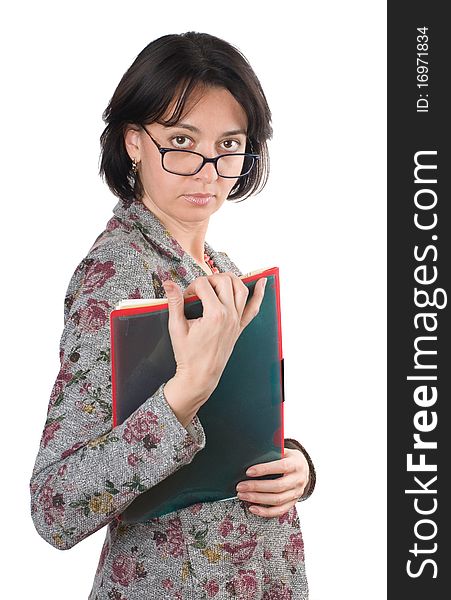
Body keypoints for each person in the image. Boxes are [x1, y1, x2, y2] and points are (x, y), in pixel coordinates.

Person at [29, 31, 317, 600]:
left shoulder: (223, 271)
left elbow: (238, 431)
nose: (208, 169)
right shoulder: (115, 280)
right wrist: (183, 394)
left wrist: (295, 467)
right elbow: (55, 504)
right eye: (182, 140)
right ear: (135, 142)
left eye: (230, 144)